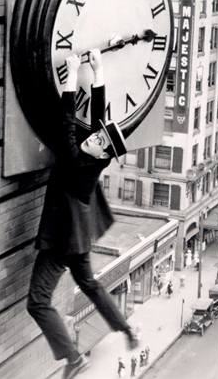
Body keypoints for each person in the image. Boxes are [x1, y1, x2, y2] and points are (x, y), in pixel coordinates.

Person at [27, 51, 138, 379]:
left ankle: (73, 358)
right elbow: (99, 123)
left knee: (38, 302)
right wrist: (98, 71)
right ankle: (126, 329)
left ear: (102, 151)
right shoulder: (95, 159)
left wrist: (73, 74)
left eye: (98, 140)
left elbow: (66, 123)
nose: (93, 136)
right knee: (90, 284)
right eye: (97, 135)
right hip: (78, 236)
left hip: (62, 240)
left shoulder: (77, 160)